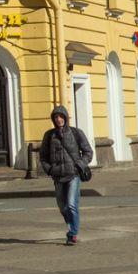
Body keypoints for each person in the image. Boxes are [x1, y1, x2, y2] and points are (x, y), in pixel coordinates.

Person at [38, 105, 92, 246]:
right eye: (56, 117)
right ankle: (72, 226)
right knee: (63, 207)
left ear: (66, 118)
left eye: (61, 116)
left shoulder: (76, 133)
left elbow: (88, 152)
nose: (59, 119)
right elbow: (43, 156)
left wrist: (79, 164)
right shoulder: (49, 135)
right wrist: (50, 169)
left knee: (71, 204)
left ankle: (72, 234)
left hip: (73, 174)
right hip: (58, 176)